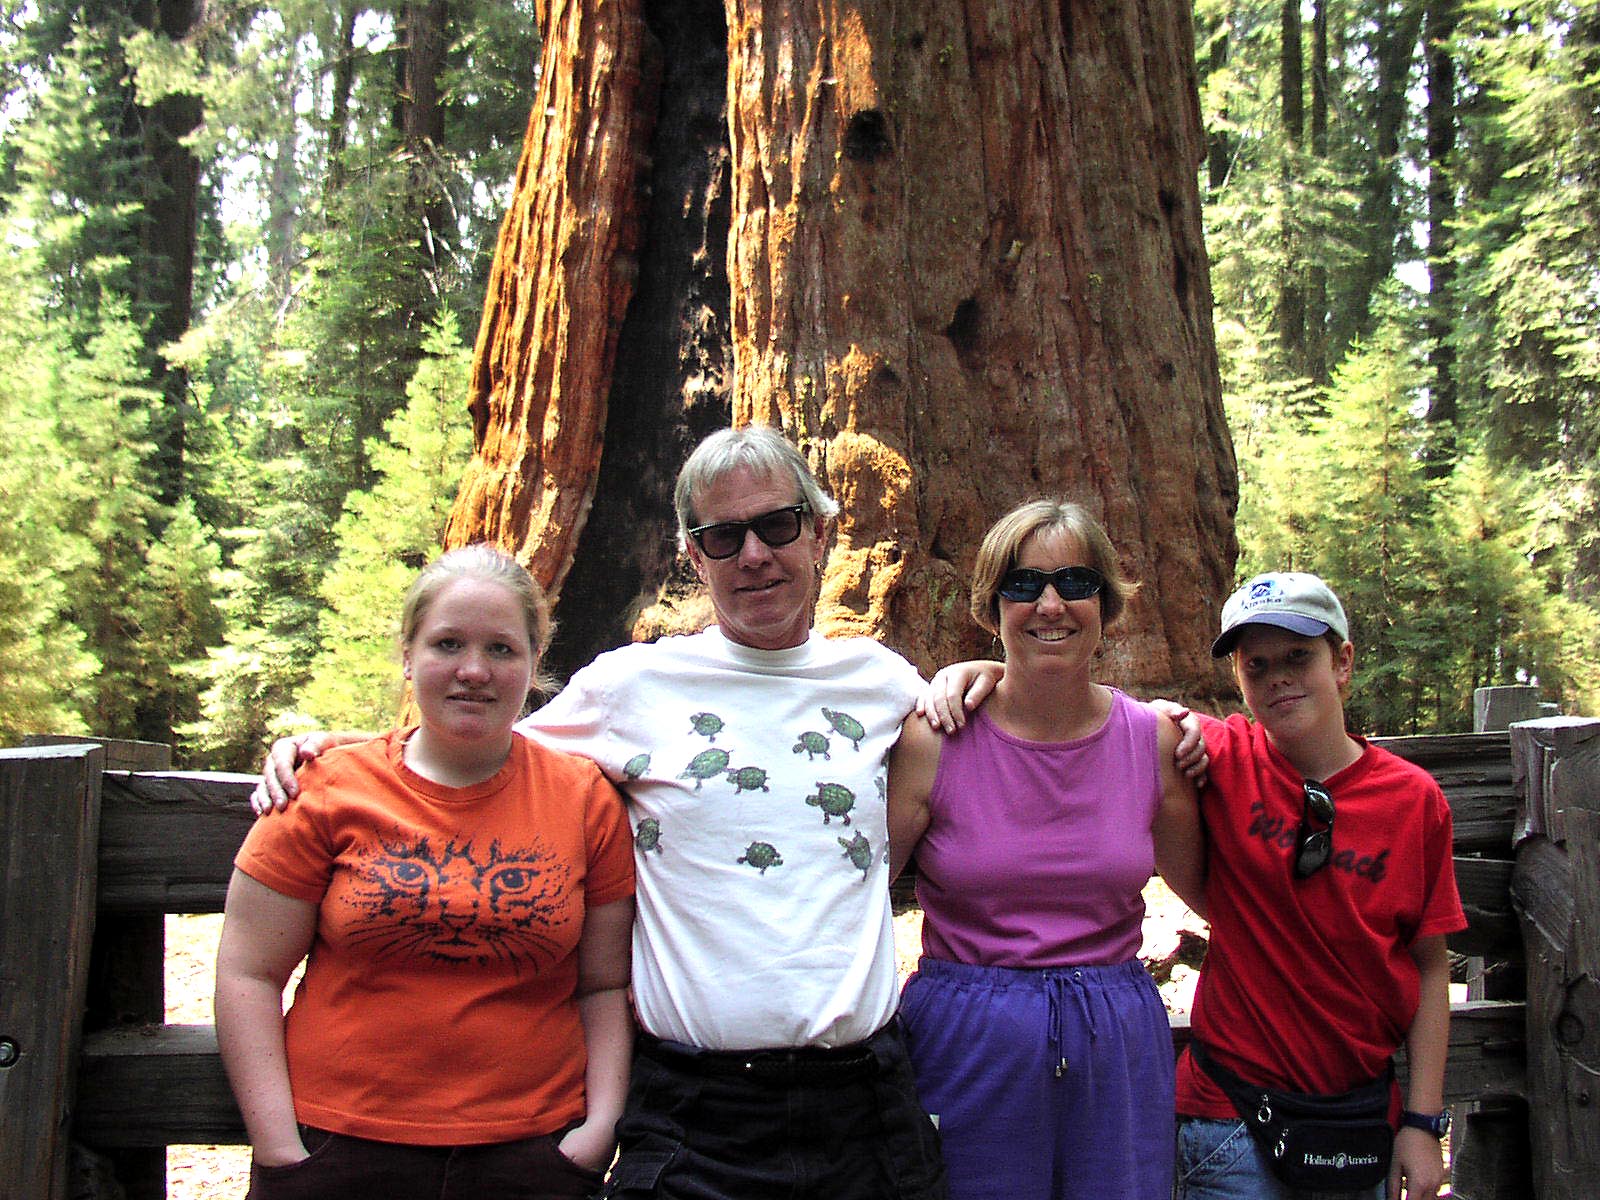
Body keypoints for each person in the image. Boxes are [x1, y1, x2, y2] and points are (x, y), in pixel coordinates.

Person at [254, 427, 949, 1200]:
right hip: (695, 1109)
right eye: (723, 537)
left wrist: (982, 669)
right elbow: (477, 743)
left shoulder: (881, 683)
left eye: (777, 525)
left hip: (866, 1101)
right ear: (694, 557)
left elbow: (987, 723)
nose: (753, 555)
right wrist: (340, 747)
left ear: (819, 533)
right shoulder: (631, 687)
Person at [923, 571, 1466, 1200]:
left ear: (1342, 662)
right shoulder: (1219, 754)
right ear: (1237, 679)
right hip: (1228, 1117)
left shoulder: (1412, 800)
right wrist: (976, 671)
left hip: (1360, 1113)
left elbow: (1430, 967)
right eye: (1256, 665)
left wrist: (1425, 1123)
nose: (1277, 678)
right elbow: (1093, 705)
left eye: (1298, 657)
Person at [216, 545, 637, 1200]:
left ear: (532, 664)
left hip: (530, 1156)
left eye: (502, 649)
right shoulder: (324, 789)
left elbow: (604, 986)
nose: (474, 670)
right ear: (408, 655)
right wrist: (278, 1146)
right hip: (338, 1148)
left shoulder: (583, 799)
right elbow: (249, 971)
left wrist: (599, 1129)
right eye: (448, 644)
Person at [885, 499, 1206, 1200]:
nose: (1050, 604)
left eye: (1075, 583)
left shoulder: (1153, 742)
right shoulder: (935, 739)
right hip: (967, 1034)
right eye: (1024, 586)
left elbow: (1224, 900)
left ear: (1106, 604)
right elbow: (855, 891)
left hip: (1114, 1038)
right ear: (992, 605)